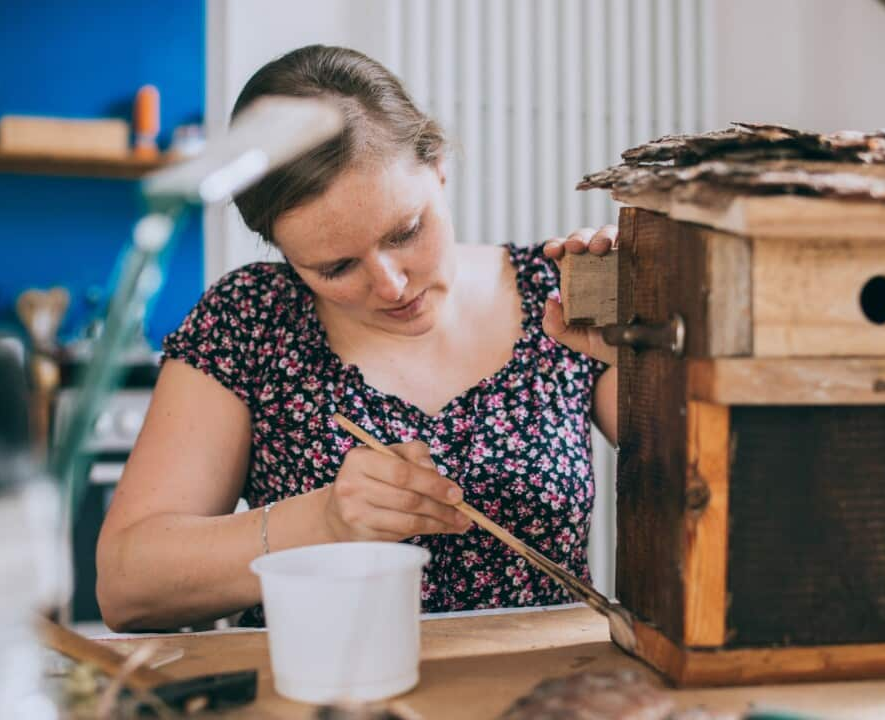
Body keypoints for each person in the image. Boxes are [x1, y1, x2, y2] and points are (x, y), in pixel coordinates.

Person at [96, 44, 619, 631]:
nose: (391, 285)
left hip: (546, 688)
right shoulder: (251, 318)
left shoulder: (557, 295)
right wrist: (323, 521)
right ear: (284, 254)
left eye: (407, 231)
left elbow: (716, 490)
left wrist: (647, 350)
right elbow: (125, 586)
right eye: (337, 268)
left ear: (439, 165)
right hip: (319, 690)